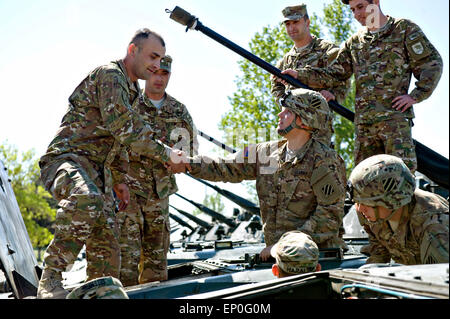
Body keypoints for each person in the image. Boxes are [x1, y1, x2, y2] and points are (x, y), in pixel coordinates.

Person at [37, 28, 188, 299]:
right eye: (153, 56)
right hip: (68, 160)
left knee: (108, 248)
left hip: (99, 173)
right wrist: (166, 154)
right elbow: (124, 128)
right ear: (133, 51)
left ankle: (101, 293)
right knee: (87, 199)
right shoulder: (111, 75)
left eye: (161, 59)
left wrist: (118, 180)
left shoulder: (130, 90)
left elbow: (117, 143)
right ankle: (50, 279)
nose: (156, 65)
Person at [174, 88, 347, 260]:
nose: (280, 115)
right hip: (278, 257)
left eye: (288, 112)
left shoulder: (325, 161)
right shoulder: (266, 153)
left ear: (304, 120)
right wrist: (189, 163)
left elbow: (328, 217)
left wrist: (283, 246)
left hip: (318, 260)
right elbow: (226, 166)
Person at [282, 0, 443, 173]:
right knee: (363, 186)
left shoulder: (403, 29)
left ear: (376, 2)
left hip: (394, 123)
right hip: (364, 128)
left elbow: (431, 63)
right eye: (352, 10)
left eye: (360, 7)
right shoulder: (355, 43)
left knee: (400, 182)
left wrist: (416, 95)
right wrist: (300, 75)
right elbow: (334, 74)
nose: (357, 14)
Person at [113, 55, 198, 286]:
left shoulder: (179, 111)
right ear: (146, 73)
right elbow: (114, 145)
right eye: (154, 72)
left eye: (164, 74)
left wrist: (178, 159)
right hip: (127, 196)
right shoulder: (129, 105)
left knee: (157, 270)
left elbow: (189, 151)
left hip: (159, 197)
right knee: (125, 267)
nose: (159, 79)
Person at [272, 3, 350, 147]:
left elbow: (342, 77)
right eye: (287, 24)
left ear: (307, 22)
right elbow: (276, 89)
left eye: (295, 22)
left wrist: (334, 95)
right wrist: (288, 105)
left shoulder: (327, 50)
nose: (291, 28)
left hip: (318, 129)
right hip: (293, 130)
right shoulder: (284, 62)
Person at [348, 154, 449, 265]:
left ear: (393, 200)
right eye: (357, 202)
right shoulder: (374, 214)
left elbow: (440, 277)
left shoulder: (433, 225)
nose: (360, 208)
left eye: (367, 203)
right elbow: (379, 256)